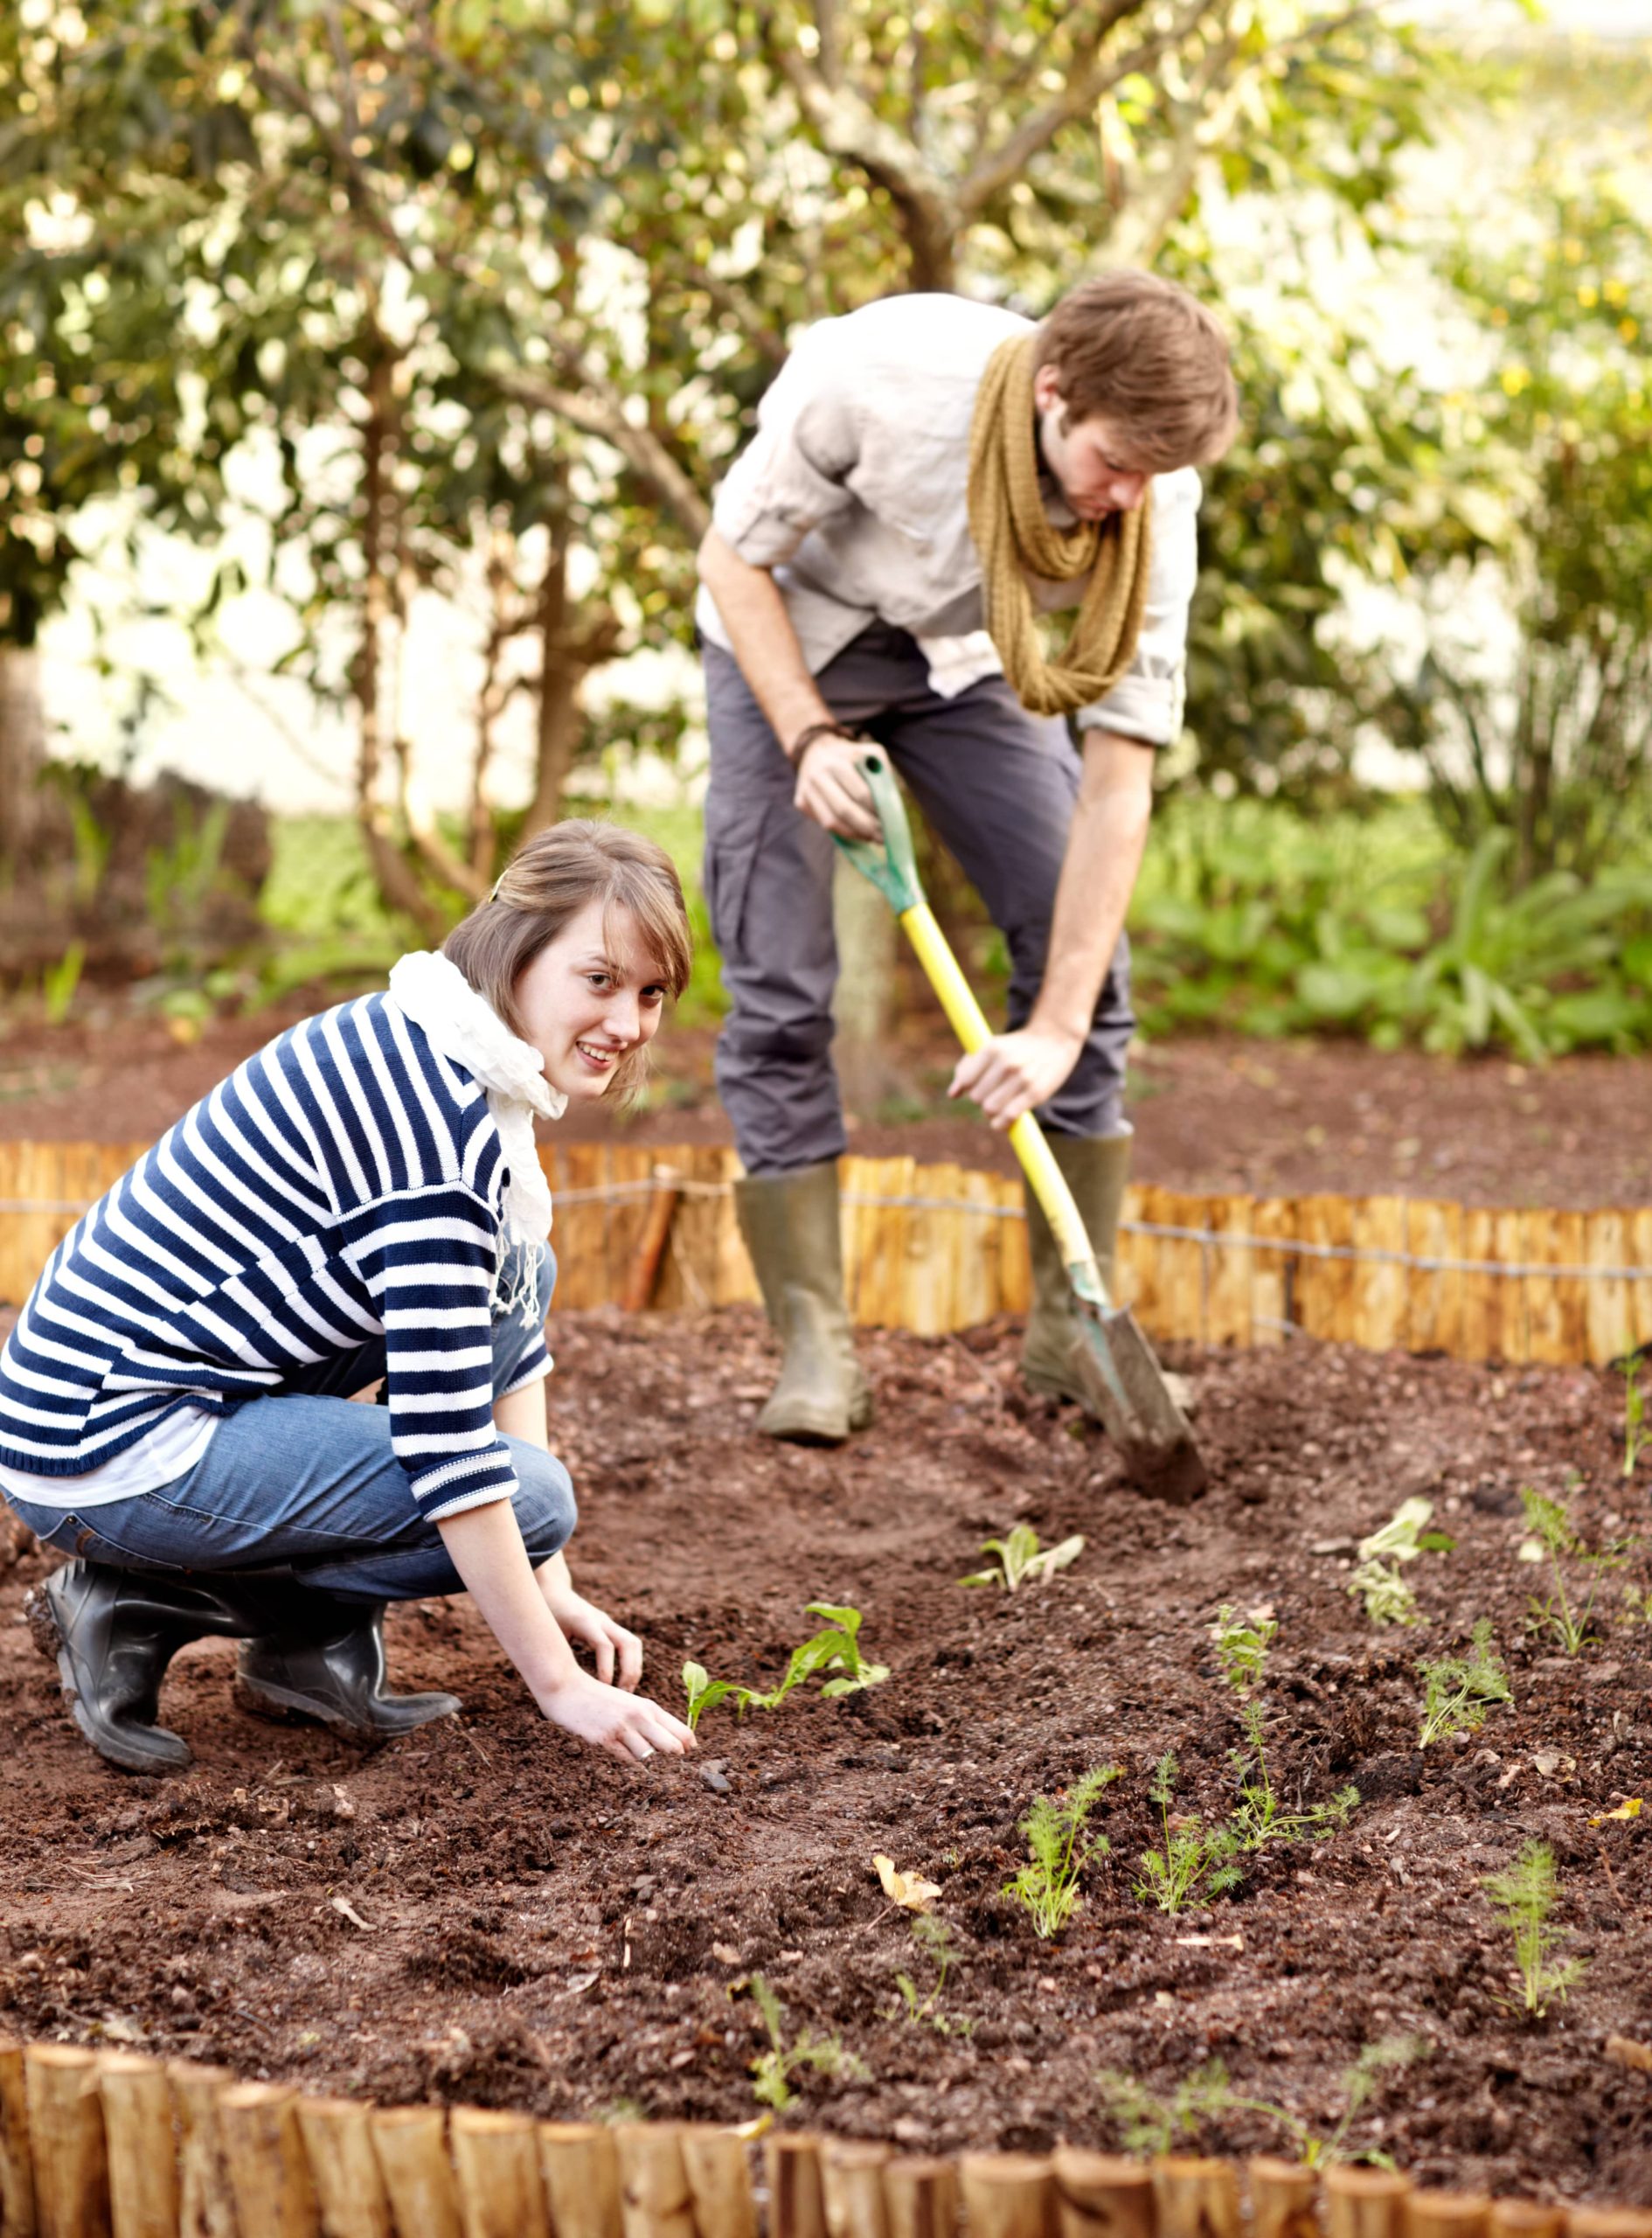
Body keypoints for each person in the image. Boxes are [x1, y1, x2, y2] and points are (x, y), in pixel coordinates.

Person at [0, 822, 698, 1774]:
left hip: (149, 1384)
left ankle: (300, 1648)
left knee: (516, 1272)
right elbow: (451, 1453)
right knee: (531, 1496)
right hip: (106, 1440)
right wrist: (560, 1684)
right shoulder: (438, 1142)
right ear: (516, 948)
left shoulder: (430, 1033)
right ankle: (147, 1598)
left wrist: (551, 1590)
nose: (629, 1021)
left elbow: (509, 1320)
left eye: (651, 993)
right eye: (601, 980)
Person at [696, 270, 1238, 1445]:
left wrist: (1049, 1028)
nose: (1131, 494)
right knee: (780, 986)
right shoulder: (875, 375)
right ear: (1052, 393)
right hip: (790, 641)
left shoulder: (1155, 500)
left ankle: (1068, 1338)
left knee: (1080, 967)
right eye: (1116, 461)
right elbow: (730, 559)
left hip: (964, 663)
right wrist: (804, 733)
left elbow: (1118, 781)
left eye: (1157, 472)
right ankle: (815, 1348)